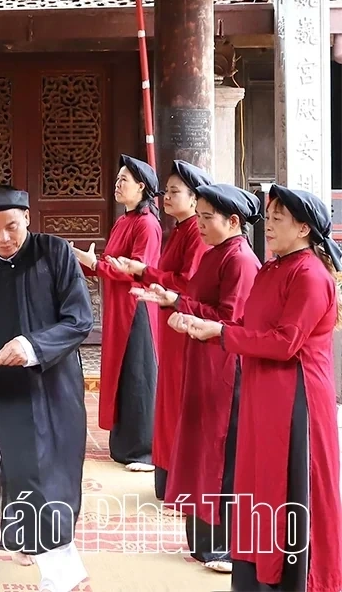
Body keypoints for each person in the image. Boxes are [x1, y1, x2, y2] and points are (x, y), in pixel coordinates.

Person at [172, 185, 342, 592]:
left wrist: (221, 333)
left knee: (287, 487)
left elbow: (285, 342)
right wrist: (207, 330)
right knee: (255, 483)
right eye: (269, 216)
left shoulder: (311, 275)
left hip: (294, 398)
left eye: (278, 218)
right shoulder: (274, 267)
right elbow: (247, 328)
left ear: (304, 228)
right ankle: (254, 575)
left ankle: (292, 578)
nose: (269, 225)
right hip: (263, 392)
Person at [0, 185, 94, 592]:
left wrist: (31, 345)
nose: (3, 238)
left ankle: (62, 572)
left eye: (11, 227)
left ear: (28, 219)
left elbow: (79, 319)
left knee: (53, 472)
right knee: (24, 471)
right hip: (10, 392)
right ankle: (54, 565)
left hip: (56, 384)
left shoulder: (54, 254)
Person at [132, 183, 261, 574]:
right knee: (200, 446)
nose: (200, 225)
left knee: (220, 452)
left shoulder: (240, 259)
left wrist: (182, 308)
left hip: (224, 367)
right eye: (200, 216)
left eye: (208, 218)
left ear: (233, 221)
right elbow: (202, 301)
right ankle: (203, 541)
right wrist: (176, 301)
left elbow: (231, 319)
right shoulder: (217, 252)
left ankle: (222, 545)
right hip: (203, 358)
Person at [107, 160, 211, 497]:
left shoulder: (185, 229)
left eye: (174, 191)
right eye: (166, 190)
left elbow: (186, 282)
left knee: (144, 376)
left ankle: (151, 453)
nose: (167, 196)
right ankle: (152, 457)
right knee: (148, 383)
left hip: (166, 314)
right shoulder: (177, 228)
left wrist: (143, 272)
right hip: (157, 308)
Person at [72, 155, 162, 472]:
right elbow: (111, 265)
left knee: (139, 375)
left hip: (137, 309)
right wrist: (86, 262)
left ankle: (147, 451)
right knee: (123, 375)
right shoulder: (124, 221)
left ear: (142, 187)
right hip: (118, 308)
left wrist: (96, 264)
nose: (118, 184)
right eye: (118, 178)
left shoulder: (147, 224)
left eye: (124, 179)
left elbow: (138, 272)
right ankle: (125, 445)